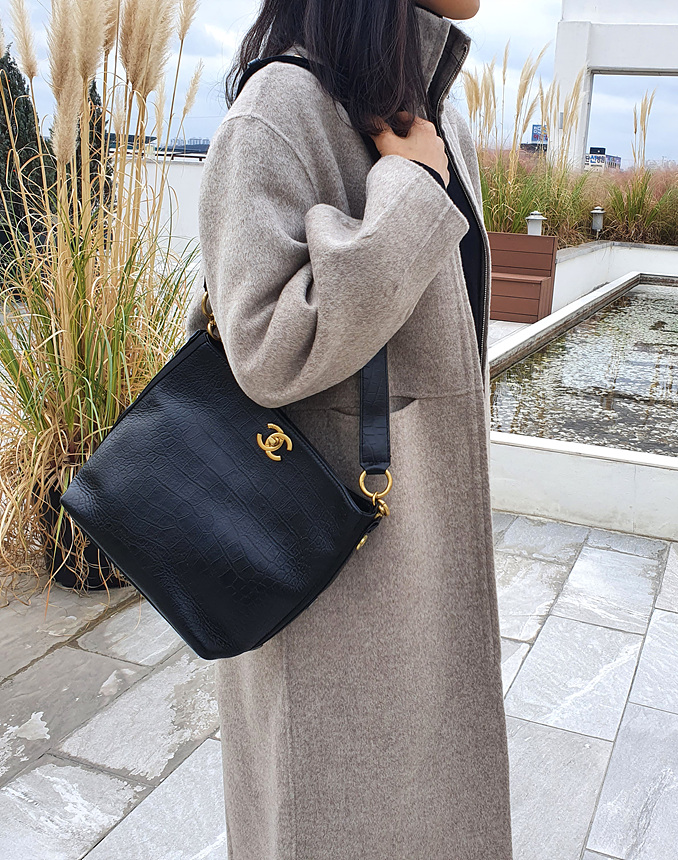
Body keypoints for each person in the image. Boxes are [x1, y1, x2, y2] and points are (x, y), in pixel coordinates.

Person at [183, 0, 512, 857]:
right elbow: (263, 344)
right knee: (332, 815)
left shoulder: (433, 111)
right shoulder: (279, 111)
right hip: (333, 580)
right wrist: (406, 192)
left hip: (421, 543)